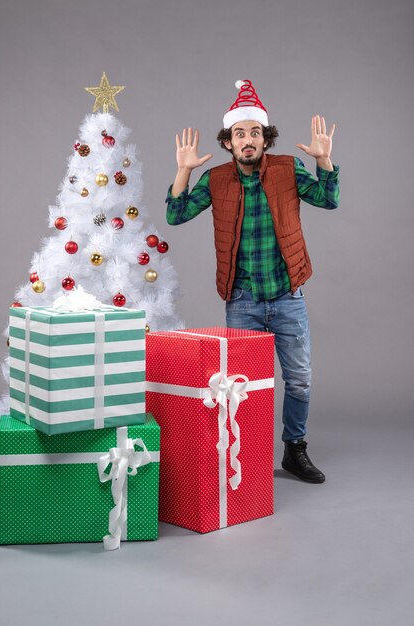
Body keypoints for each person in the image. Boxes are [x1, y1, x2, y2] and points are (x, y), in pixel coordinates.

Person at [165, 80, 340, 484]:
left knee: (299, 378)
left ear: (265, 138)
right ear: (228, 142)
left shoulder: (286, 169)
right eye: (239, 133)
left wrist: (325, 161)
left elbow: (328, 199)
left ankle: (295, 451)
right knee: (241, 386)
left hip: (287, 296)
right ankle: (251, 455)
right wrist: (184, 170)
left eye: (255, 133)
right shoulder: (215, 179)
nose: (248, 140)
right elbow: (176, 214)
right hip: (242, 301)